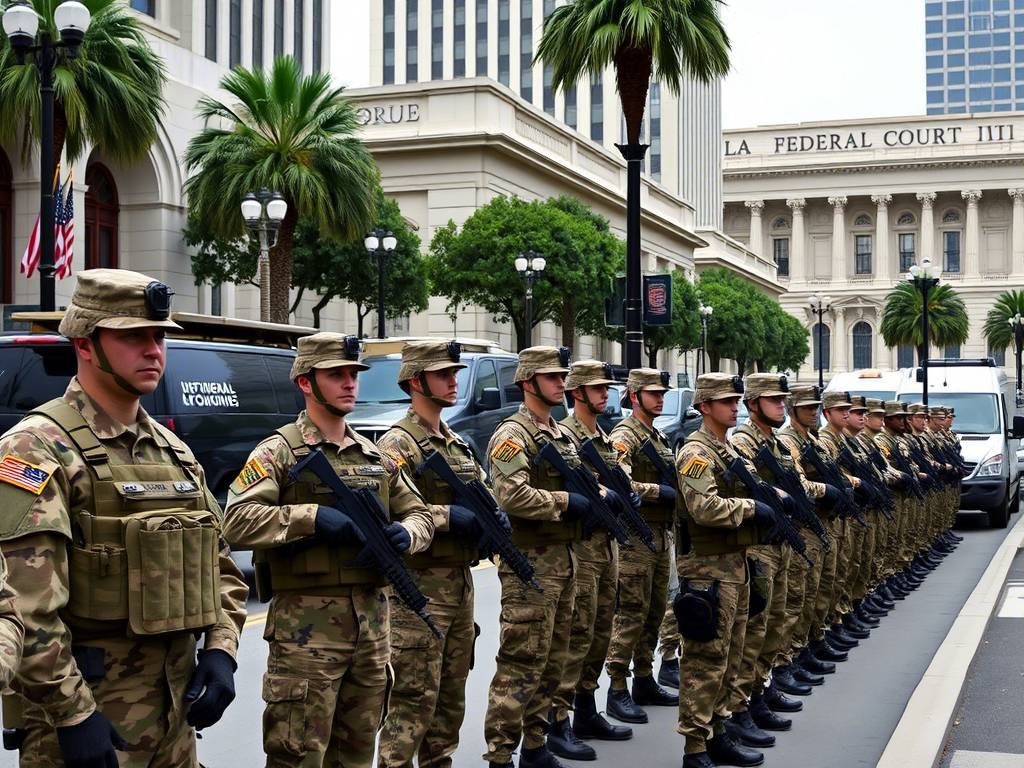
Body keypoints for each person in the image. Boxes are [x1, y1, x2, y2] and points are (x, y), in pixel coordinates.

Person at [0, 268, 248, 767]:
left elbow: (219, 568)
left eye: (158, 336)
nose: (154, 350)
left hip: (175, 718)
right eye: (133, 337)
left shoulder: (175, 453)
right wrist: (73, 715)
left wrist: (222, 651)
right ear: (85, 344)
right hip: (89, 719)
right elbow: (26, 607)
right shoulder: (35, 448)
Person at [223, 332, 434, 768]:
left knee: (357, 755)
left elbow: (421, 513)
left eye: (353, 374)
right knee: (298, 756)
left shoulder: (376, 456)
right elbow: (237, 521)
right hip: (307, 638)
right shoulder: (278, 451)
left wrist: (407, 534)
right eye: (335, 374)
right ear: (306, 382)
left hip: (373, 634)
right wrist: (310, 518)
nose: (349, 383)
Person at [375, 340, 485, 768]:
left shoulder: (456, 443)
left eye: (455, 373)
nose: (454, 380)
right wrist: (447, 516)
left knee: (450, 697)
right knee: (412, 699)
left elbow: (482, 497)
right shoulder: (396, 445)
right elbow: (391, 512)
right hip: (418, 587)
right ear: (416, 381)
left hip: (459, 582)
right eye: (444, 374)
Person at [482, 347, 582, 768]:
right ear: (528, 383)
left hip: (565, 560)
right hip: (531, 565)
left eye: (563, 376)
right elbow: (511, 495)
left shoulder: (560, 433)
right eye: (552, 377)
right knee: (521, 662)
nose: (562, 383)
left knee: (554, 660)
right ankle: (501, 755)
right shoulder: (512, 435)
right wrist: (567, 500)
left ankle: (536, 745)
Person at [675, 373, 773, 768]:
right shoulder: (696, 453)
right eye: (726, 401)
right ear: (704, 407)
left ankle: (718, 732)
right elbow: (705, 508)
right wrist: (750, 509)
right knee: (705, 660)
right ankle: (695, 747)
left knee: (730, 656)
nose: (735, 406)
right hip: (706, 571)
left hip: (735, 566)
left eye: (736, 400)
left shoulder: (728, 450)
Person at [549, 361, 633, 760]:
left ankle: (586, 709)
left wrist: (629, 491)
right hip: (581, 548)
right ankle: (559, 719)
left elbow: (623, 474)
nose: (606, 394)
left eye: (607, 388)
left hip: (607, 547)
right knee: (577, 636)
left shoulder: (603, 438)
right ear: (577, 392)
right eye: (597, 388)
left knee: (600, 634)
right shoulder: (564, 436)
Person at [726, 373, 805, 751]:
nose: (782, 406)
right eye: (774, 400)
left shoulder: (774, 443)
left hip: (779, 542)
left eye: (783, 400)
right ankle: (741, 708)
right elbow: (753, 490)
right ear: (753, 404)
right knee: (753, 632)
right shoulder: (742, 442)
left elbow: (797, 482)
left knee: (774, 623)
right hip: (758, 547)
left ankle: (758, 692)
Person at [605, 369, 679, 723]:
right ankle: (618, 686)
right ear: (634, 396)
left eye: (662, 392)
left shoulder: (659, 436)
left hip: (660, 535)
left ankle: (645, 678)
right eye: (653, 393)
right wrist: (657, 492)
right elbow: (621, 481)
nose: (660, 398)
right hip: (636, 536)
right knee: (631, 612)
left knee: (654, 611)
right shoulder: (625, 435)